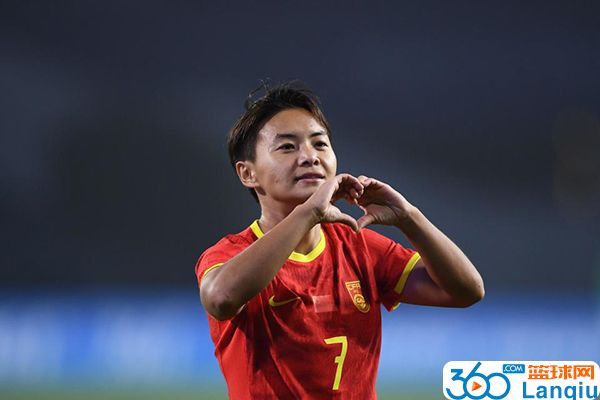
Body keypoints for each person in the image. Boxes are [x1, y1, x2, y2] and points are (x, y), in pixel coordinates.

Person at [195, 81, 484, 399]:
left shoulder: (360, 246)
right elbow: (221, 299)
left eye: (320, 144)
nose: (310, 156)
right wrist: (308, 213)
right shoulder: (232, 253)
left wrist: (409, 217)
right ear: (248, 174)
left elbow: (466, 291)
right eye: (287, 147)